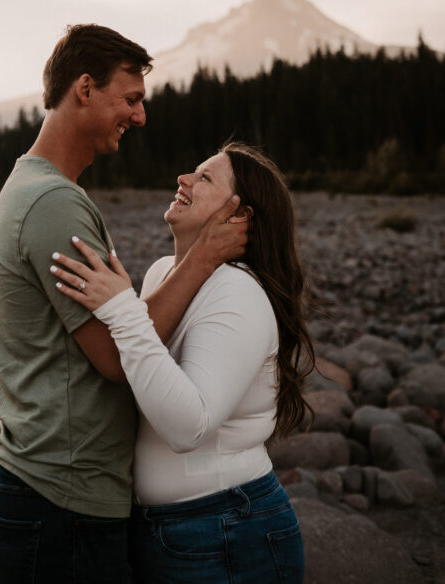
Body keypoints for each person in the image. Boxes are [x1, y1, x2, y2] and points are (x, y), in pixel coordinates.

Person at [0, 25, 250, 584]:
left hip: (54, 488)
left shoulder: (33, 186)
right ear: (85, 88)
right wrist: (202, 257)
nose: (140, 116)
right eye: (131, 100)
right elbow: (114, 354)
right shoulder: (54, 201)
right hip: (61, 495)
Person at [50, 140, 314, 584]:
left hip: (226, 527)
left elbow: (188, 426)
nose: (183, 179)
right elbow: (135, 368)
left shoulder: (237, 291)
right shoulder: (161, 272)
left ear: (239, 215)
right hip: (170, 528)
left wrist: (121, 309)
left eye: (205, 177)